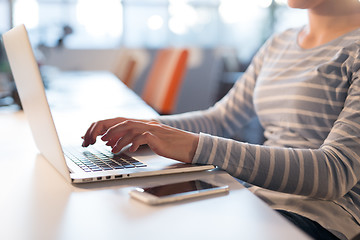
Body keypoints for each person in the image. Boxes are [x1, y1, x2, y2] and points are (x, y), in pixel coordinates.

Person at [82, 0, 360, 239]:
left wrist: (197, 147)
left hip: (317, 219)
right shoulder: (280, 42)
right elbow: (221, 118)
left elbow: (335, 173)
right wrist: (146, 129)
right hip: (254, 199)